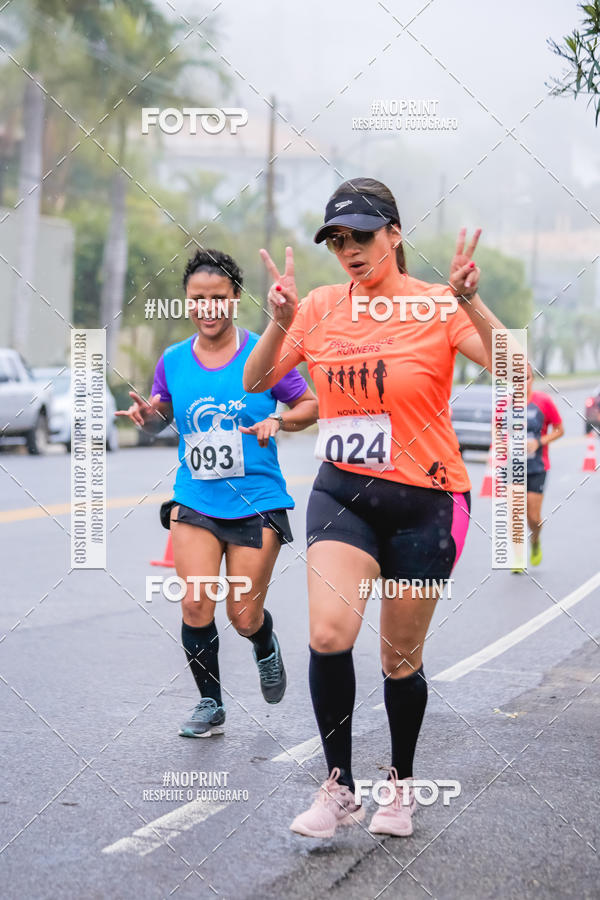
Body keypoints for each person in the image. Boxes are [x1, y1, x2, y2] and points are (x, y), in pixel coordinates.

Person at [244, 177, 512, 838]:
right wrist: (278, 320)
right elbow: (254, 381)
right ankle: (338, 789)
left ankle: (401, 783)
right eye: (337, 240)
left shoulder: (436, 305)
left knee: (399, 656)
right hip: (343, 494)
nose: (350, 250)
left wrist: (473, 304)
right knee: (329, 634)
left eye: (361, 235)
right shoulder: (321, 306)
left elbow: (518, 370)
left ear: (394, 233)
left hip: (429, 503)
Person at [117, 249, 317, 737]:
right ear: (187, 302)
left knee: (243, 612)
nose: (207, 308)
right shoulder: (173, 360)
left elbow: (309, 404)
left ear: (235, 299)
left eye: (218, 298)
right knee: (195, 604)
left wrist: (277, 419)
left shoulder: (262, 352)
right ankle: (211, 704)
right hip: (196, 498)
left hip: (257, 502)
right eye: (197, 299)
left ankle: (263, 642)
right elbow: (166, 412)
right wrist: (151, 416)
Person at [522, 362, 564, 567]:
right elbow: (497, 430)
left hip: (538, 466)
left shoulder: (543, 401)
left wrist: (539, 442)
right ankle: (515, 557)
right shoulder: (505, 403)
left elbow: (559, 429)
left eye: (526, 377)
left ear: (532, 378)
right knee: (514, 514)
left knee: (533, 516)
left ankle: (535, 539)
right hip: (513, 468)